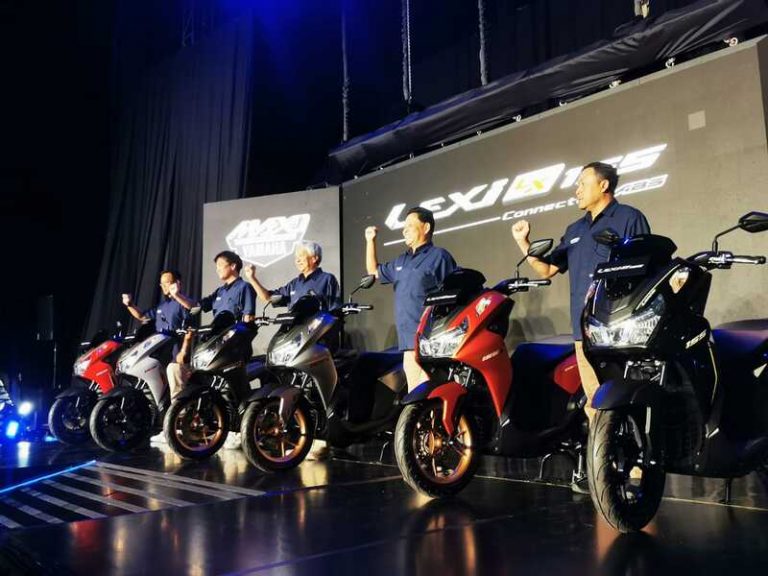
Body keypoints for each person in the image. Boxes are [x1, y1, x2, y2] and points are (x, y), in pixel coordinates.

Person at [511, 161, 650, 492]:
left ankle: (638, 466)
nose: (576, 190)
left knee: (626, 398)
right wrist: (523, 242)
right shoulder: (575, 229)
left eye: (582, 183)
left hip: (621, 328)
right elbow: (547, 270)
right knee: (595, 402)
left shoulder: (629, 217)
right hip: (583, 331)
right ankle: (607, 467)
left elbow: (648, 264)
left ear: (603, 185)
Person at [365, 207, 457, 392]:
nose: (404, 230)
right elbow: (373, 271)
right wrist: (370, 241)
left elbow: (455, 292)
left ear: (426, 227)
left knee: (433, 393)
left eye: (410, 225)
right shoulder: (401, 261)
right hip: (408, 342)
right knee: (417, 394)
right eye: (404, 226)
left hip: (431, 340)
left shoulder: (439, 256)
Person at [165, 251, 256, 403]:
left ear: (233, 266)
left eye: (220, 265)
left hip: (234, 347)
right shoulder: (220, 291)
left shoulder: (244, 287)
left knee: (237, 390)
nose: (217, 269)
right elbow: (196, 306)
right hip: (217, 345)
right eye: (216, 266)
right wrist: (177, 295)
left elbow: (248, 318)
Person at [244, 241, 341, 312]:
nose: (297, 260)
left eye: (301, 256)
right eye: (296, 257)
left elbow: (335, 311)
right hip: (294, 332)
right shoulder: (294, 284)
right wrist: (252, 278)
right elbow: (268, 297)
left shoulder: (327, 279)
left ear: (314, 258)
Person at [122, 269, 192, 335]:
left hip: (176, 343)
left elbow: (192, 308)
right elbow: (142, 316)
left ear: (177, 283)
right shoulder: (161, 306)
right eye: (162, 284)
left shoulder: (184, 303)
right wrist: (130, 305)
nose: (163, 286)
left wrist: (176, 295)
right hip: (161, 343)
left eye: (166, 283)